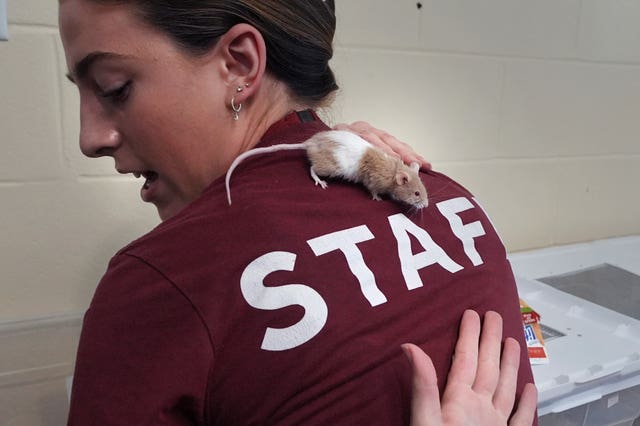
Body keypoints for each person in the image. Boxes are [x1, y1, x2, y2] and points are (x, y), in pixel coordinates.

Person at [59, 0, 537, 424]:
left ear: (239, 64)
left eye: (114, 87)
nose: (89, 139)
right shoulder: (459, 203)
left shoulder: (157, 282)